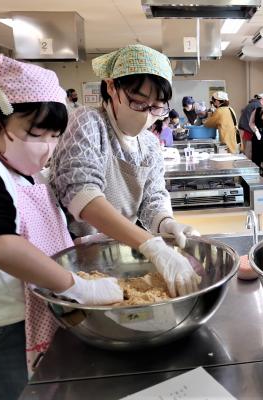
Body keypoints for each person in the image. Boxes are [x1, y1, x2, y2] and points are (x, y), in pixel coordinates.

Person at [0, 55, 122, 399]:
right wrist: (78, 286)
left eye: (55, 136)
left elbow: (45, 233)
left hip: (48, 312)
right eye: (36, 134)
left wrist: (89, 243)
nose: (48, 148)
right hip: (7, 332)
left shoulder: (32, 175)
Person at [50, 44, 201, 299]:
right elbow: (82, 196)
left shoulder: (150, 143)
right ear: (111, 87)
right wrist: (151, 245)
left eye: (157, 108)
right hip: (76, 257)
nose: (147, 116)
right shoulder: (88, 122)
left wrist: (166, 222)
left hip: (120, 253)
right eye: (138, 102)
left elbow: (152, 197)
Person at [238, 94, 263, 158]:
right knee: (249, 151)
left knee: (245, 150)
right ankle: (249, 165)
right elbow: (258, 119)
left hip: (244, 127)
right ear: (262, 99)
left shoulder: (252, 104)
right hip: (247, 129)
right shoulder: (257, 105)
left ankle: (246, 164)